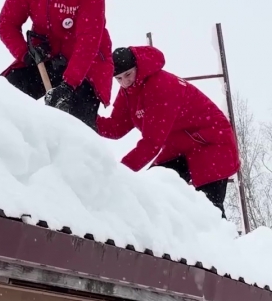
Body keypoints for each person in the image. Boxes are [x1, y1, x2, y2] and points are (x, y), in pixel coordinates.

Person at [95, 45, 241, 217]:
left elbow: (151, 143)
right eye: (118, 78)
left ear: (138, 67)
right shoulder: (129, 91)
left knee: (210, 211)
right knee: (154, 190)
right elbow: (116, 127)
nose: (124, 82)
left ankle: (224, 242)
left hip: (211, 142)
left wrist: (118, 173)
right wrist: (87, 118)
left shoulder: (160, 86)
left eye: (128, 74)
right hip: (182, 146)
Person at [0, 0, 114, 130]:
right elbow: (7, 23)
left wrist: (69, 85)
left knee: (76, 129)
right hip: (45, 57)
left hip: (86, 66)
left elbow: (88, 41)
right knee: (3, 98)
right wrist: (25, 55)